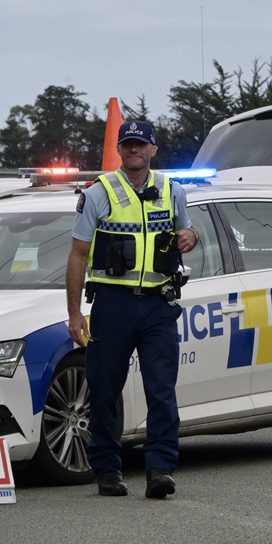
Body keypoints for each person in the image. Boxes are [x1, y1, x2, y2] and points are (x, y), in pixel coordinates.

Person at [66, 120, 197, 498]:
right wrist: (75, 313)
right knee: (105, 390)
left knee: (161, 389)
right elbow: (76, 256)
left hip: (159, 303)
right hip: (113, 304)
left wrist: (193, 235)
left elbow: (185, 232)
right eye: (128, 145)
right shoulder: (99, 193)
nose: (134, 150)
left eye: (141, 144)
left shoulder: (172, 190)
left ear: (153, 150)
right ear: (119, 150)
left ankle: (160, 469)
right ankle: (107, 469)